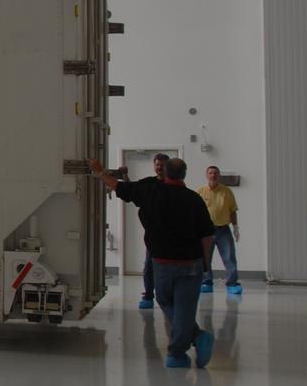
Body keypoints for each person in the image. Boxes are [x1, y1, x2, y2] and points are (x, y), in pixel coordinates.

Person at [92, 156, 216, 368]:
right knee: (185, 309)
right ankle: (182, 349)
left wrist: (99, 172)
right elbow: (208, 236)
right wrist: (205, 263)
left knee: (166, 302)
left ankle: (185, 347)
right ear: (184, 175)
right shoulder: (194, 199)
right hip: (191, 264)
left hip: (162, 262)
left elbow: (118, 187)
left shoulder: (150, 191)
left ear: (164, 172)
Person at [197, 165, 242, 294]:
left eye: (215, 173)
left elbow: (233, 210)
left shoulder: (226, 192)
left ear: (219, 176)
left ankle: (232, 283)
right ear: (207, 175)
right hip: (206, 231)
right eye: (210, 173)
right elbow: (195, 211)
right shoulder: (200, 191)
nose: (213, 175)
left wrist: (235, 227)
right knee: (205, 258)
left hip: (223, 230)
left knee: (229, 257)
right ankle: (206, 282)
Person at [136, 153, 169, 310]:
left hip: (171, 236)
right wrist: (124, 175)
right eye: (157, 165)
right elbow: (132, 190)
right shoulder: (149, 184)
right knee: (149, 265)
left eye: (162, 165)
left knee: (168, 267)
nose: (159, 168)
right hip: (153, 236)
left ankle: (168, 296)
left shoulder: (174, 185)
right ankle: (148, 295)